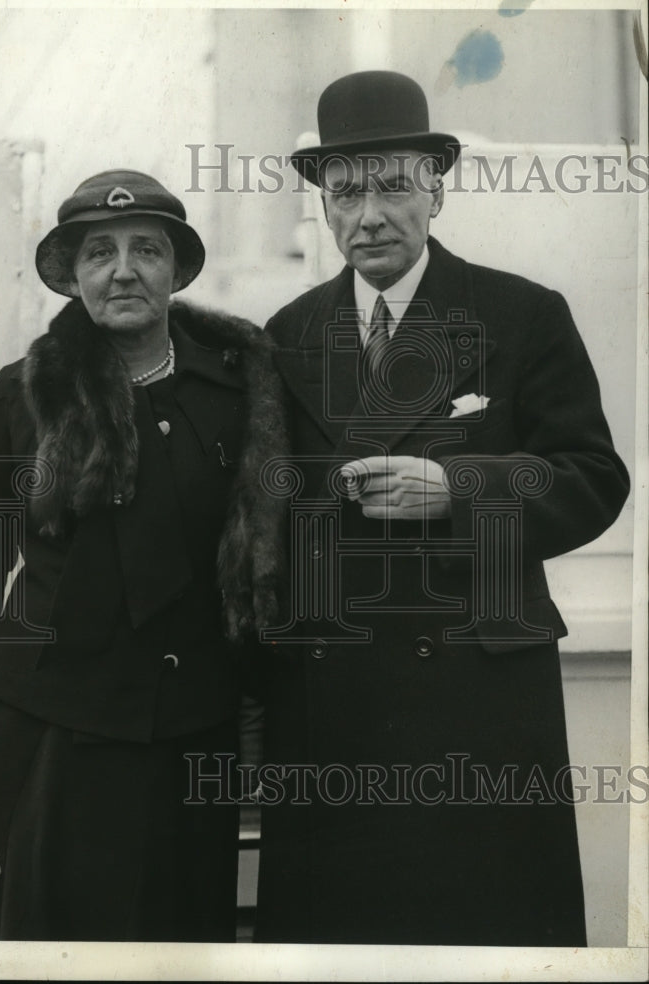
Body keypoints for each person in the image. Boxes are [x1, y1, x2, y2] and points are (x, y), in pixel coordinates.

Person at [254, 71, 630, 946]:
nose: (369, 215)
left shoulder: (521, 313)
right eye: (345, 192)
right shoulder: (287, 332)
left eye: (392, 185)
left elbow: (592, 477)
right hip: (331, 699)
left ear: (435, 187)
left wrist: (458, 489)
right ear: (321, 203)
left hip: (478, 697)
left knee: (482, 932)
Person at [0, 169, 285, 941]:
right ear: (73, 275)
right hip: (51, 717)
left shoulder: (237, 392)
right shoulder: (18, 397)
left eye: (146, 251)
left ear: (176, 270)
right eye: (99, 253)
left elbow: (263, 549)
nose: (123, 270)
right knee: (51, 930)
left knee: (178, 932)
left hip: (191, 724)